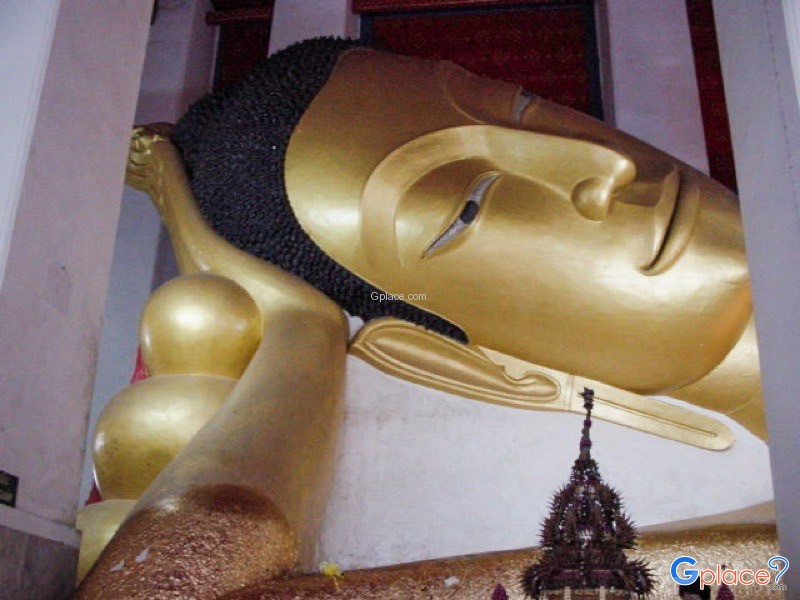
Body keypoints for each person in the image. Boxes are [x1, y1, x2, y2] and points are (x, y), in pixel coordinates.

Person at [77, 39, 767, 597]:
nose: (604, 166)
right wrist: (299, 325)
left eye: (520, 108)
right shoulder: (760, 564)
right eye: (465, 211)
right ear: (449, 360)